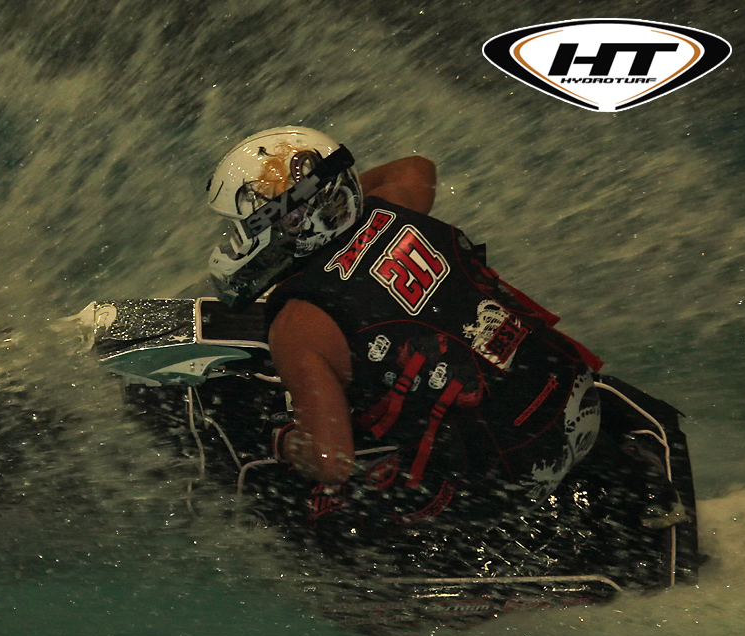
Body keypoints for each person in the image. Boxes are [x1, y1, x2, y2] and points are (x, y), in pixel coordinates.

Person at [205, 126, 607, 527]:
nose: (234, 240)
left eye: (239, 229)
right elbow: (417, 166)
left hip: (516, 471)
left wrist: (287, 442)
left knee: (311, 510)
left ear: (289, 222)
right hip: (573, 392)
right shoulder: (398, 202)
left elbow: (332, 463)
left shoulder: (297, 326)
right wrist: (328, 199)